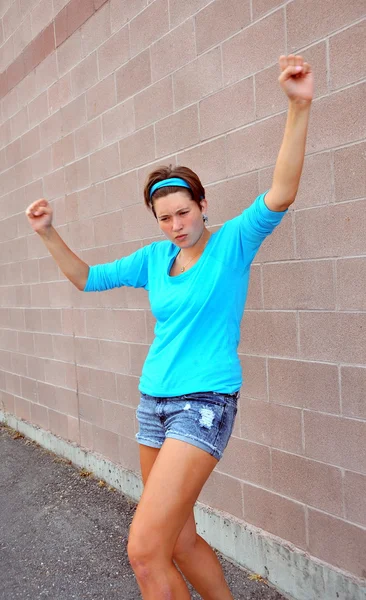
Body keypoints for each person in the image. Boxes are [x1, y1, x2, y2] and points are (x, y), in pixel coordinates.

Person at [26, 54, 313, 599]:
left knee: (143, 551)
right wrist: (47, 233)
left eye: (183, 212)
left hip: (203, 403)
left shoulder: (233, 242)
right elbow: (86, 278)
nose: (175, 225)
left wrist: (298, 107)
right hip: (152, 405)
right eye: (164, 217)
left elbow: (282, 190)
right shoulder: (155, 259)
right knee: (179, 542)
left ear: (202, 205)